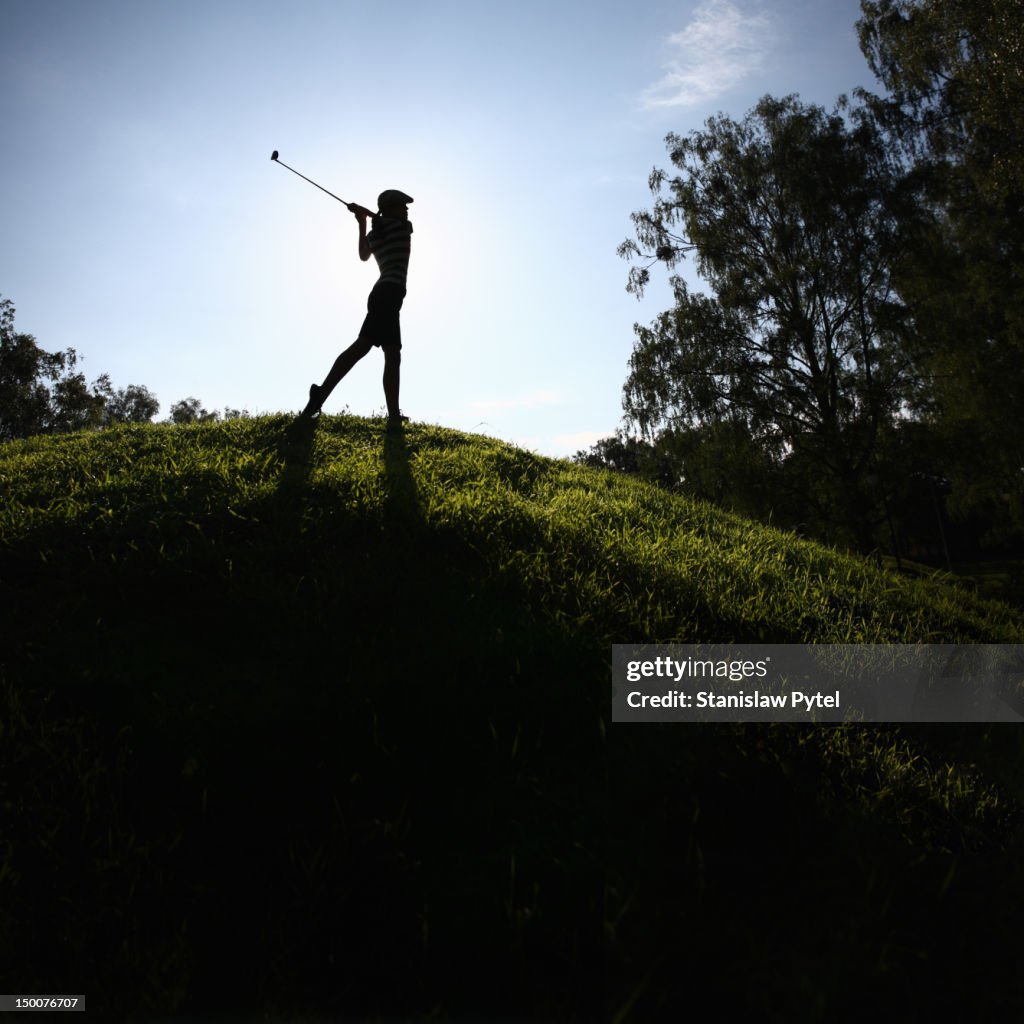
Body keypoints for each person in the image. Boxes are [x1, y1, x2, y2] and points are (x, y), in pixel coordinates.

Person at [302, 188, 414, 425]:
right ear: (390, 208)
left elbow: (364, 253)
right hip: (386, 294)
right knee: (365, 348)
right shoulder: (396, 228)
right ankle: (320, 395)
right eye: (401, 205)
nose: (406, 209)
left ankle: (393, 415)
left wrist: (364, 220)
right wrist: (364, 220)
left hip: (388, 296)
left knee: (392, 353)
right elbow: (364, 255)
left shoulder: (393, 229)